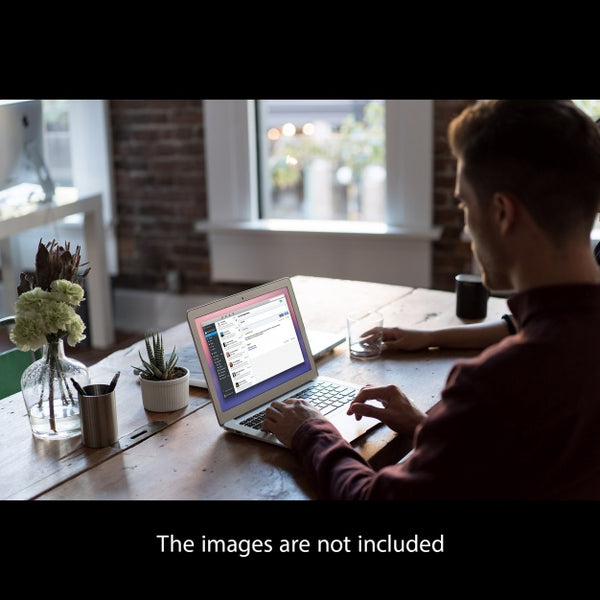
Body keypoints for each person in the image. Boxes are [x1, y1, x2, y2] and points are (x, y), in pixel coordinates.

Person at [262, 100, 600, 500]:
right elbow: (523, 461)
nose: (466, 228)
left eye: (464, 204)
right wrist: (434, 430)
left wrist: (310, 431)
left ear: (502, 212)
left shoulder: (499, 383)